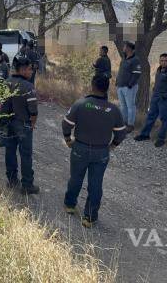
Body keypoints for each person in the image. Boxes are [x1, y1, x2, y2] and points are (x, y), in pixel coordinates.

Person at [62, 75, 128, 228]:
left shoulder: (81, 104)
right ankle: (90, 218)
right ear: (107, 88)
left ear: (92, 86)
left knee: (76, 178)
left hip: (80, 148)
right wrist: (112, 146)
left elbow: (66, 124)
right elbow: (121, 133)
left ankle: (70, 205)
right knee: (96, 184)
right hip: (101, 152)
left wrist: (68, 139)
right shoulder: (114, 110)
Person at [0, 56, 40, 194]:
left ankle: (12, 180)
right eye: (30, 69)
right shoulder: (28, 86)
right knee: (26, 155)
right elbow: (33, 110)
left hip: (8, 123)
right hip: (24, 125)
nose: (31, 72)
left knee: (10, 152)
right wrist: (33, 123)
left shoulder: (6, 82)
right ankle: (27, 185)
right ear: (22, 70)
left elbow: (0, 104)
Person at [135, 53, 167, 147]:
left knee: (164, 119)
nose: (163, 62)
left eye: (166, 61)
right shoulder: (159, 70)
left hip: (165, 100)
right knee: (151, 116)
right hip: (155, 97)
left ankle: (161, 139)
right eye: (162, 60)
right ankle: (145, 135)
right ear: (159, 61)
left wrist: (165, 96)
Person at [115, 41, 142, 129]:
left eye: (124, 46)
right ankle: (124, 122)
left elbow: (137, 74)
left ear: (129, 48)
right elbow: (121, 71)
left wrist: (130, 85)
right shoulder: (124, 58)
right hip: (120, 86)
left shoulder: (135, 60)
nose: (123, 48)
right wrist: (117, 82)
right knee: (123, 106)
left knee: (130, 106)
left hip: (129, 87)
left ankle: (130, 124)